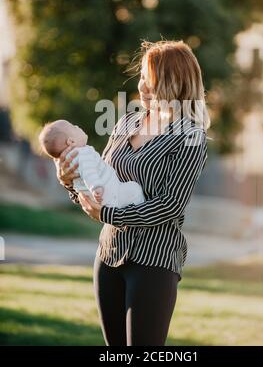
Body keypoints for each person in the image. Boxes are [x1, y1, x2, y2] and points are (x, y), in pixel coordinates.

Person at [55, 39, 210, 346]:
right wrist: (71, 182)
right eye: (141, 77)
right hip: (109, 256)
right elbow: (101, 181)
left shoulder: (191, 136)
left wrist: (109, 214)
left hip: (154, 262)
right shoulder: (127, 123)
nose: (142, 87)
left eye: (150, 81)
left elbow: (170, 206)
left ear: (173, 82)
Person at [39, 119, 145, 207]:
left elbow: (79, 186)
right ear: (71, 142)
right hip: (108, 192)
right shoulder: (82, 153)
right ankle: (141, 208)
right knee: (134, 189)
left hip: (96, 200)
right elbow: (89, 172)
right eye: (74, 127)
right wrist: (96, 187)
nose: (77, 126)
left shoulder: (69, 162)